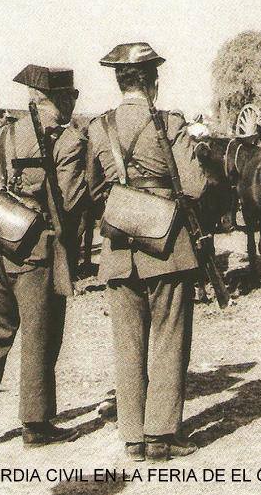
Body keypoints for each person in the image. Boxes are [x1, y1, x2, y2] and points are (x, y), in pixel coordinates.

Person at [87, 42, 205, 462]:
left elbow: (91, 189)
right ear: (152, 81)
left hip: (118, 246)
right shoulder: (169, 122)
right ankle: (160, 436)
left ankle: (133, 437)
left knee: (127, 344)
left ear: (120, 82)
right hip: (166, 246)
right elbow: (193, 186)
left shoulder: (99, 126)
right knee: (169, 339)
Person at [0, 65, 86, 447]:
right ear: (61, 100)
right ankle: (36, 424)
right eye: (71, 97)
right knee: (40, 336)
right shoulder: (69, 142)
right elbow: (71, 201)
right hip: (35, 253)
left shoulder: (1, 136)